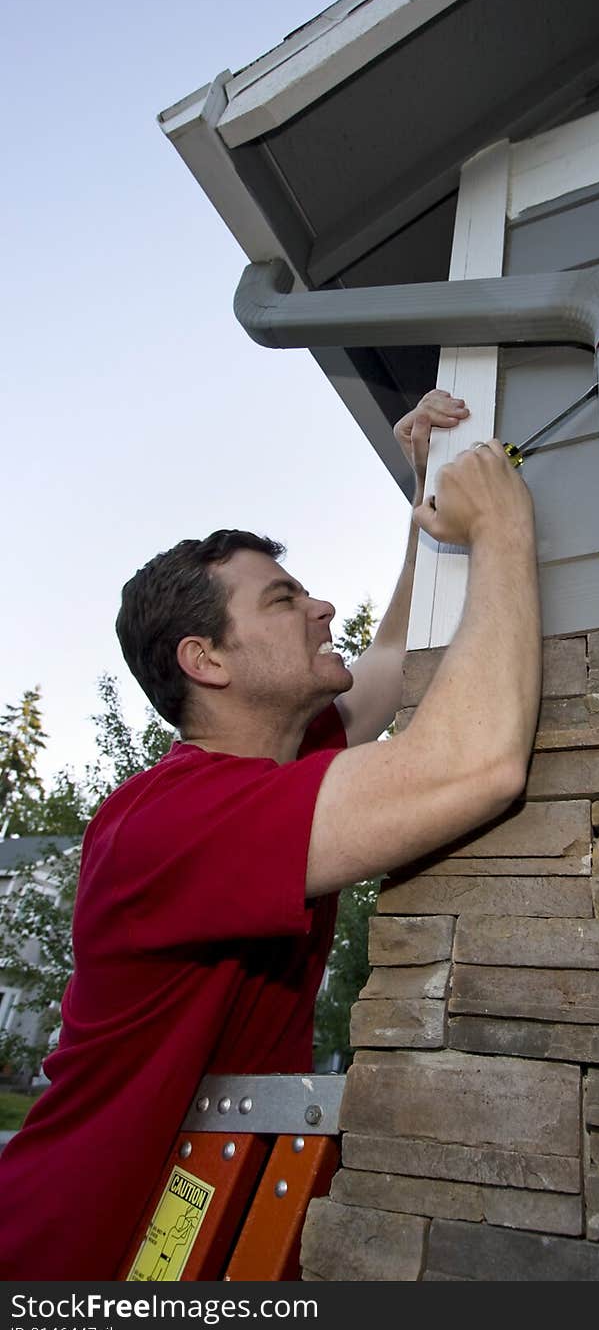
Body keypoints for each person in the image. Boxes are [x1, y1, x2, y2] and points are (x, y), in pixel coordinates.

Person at [0, 388, 541, 1279]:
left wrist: (430, 494)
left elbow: (393, 663)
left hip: (208, 1234)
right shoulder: (169, 822)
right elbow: (474, 761)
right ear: (204, 660)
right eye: (284, 599)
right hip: (76, 1257)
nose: (325, 606)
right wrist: (504, 530)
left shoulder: (282, 771)